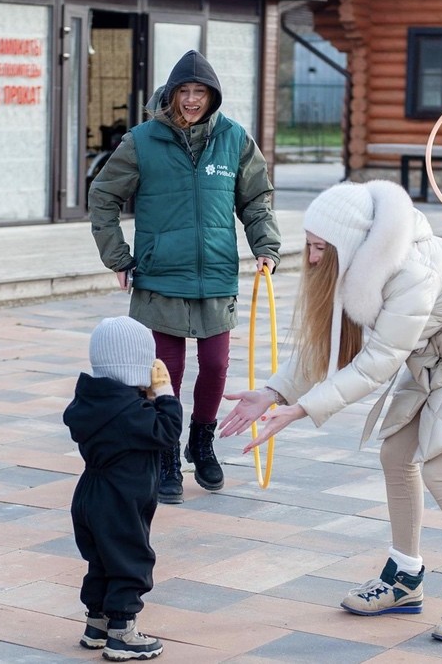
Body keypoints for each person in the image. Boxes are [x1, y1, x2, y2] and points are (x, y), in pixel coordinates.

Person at [219, 179, 442, 643]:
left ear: (350, 242)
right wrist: (274, 392)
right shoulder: (359, 263)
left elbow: (376, 363)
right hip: (440, 356)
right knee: (396, 456)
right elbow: (330, 342)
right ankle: (404, 578)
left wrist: (302, 410)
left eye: (319, 248)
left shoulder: (411, 270)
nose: (312, 258)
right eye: (310, 246)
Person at [88, 49, 281, 505]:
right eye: (185, 92)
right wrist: (118, 257)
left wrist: (266, 248)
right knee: (165, 372)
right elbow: (103, 196)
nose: (192, 100)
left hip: (215, 275)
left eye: (200, 92)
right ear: (171, 94)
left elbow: (256, 199)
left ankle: (201, 441)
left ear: (212, 97)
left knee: (215, 367)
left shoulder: (234, 139)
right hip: (159, 276)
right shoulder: (142, 140)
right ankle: (168, 452)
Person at [64, 316, 182, 661]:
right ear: (140, 364)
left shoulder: (91, 402)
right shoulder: (132, 412)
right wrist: (164, 393)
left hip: (90, 492)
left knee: (102, 557)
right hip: (121, 497)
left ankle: (96, 624)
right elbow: (168, 431)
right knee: (130, 558)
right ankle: (122, 633)